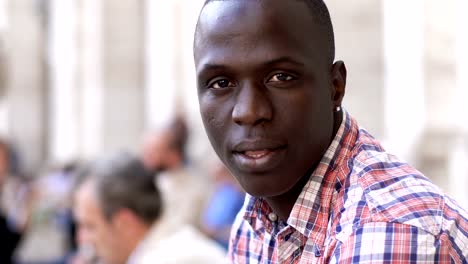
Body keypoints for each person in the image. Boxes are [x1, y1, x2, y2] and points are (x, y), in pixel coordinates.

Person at [193, 0, 468, 263]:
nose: (249, 112)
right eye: (221, 83)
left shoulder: (386, 231)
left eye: (281, 77)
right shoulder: (255, 221)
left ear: (335, 87)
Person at [73, 152, 225, 264]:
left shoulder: (172, 258)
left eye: (89, 226)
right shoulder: (170, 245)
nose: (81, 238)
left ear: (125, 223)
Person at [141, 117, 208, 231]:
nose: (146, 158)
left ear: (174, 154)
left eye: (153, 152)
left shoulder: (192, 188)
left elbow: (177, 228)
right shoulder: (154, 180)